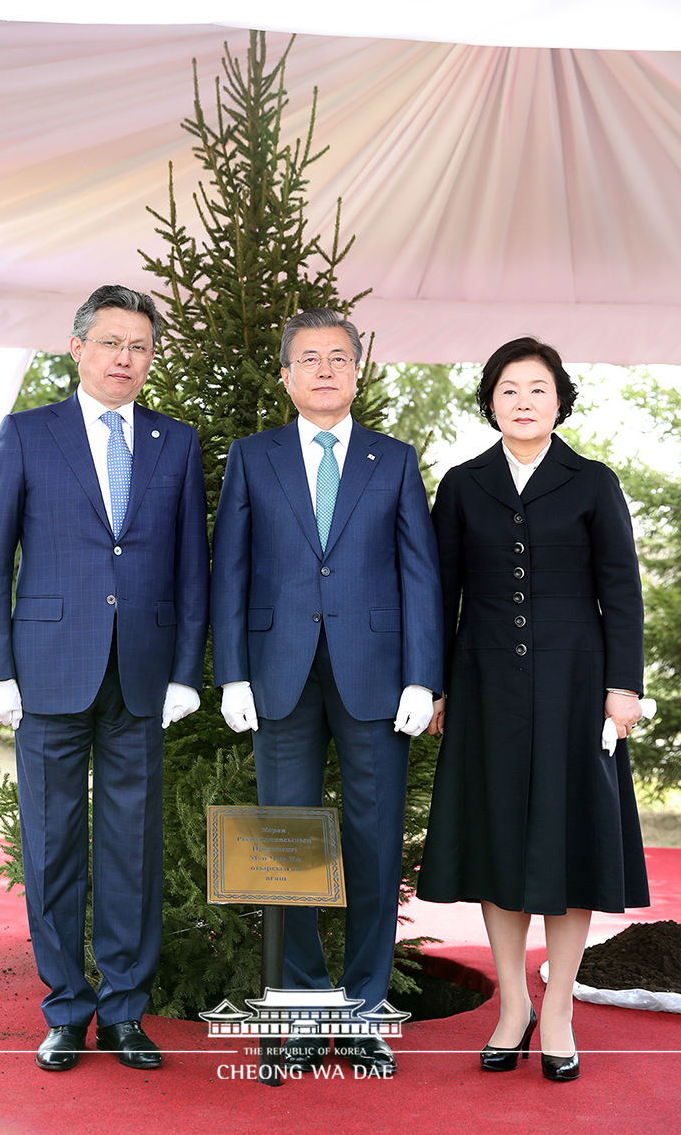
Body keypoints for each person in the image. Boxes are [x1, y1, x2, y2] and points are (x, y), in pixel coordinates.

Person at [0, 285, 209, 1072]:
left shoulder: (176, 442)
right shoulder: (27, 434)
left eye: (139, 346)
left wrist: (184, 672)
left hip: (141, 675)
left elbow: (191, 571)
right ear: (78, 349)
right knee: (52, 846)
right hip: (46, 675)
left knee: (132, 850)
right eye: (111, 343)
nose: (125, 359)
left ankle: (127, 1012)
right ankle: (67, 1009)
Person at [210, 307, 443, 1074]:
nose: (323, 369)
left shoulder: (395, 460)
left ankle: (366, 1011)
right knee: (286, 848)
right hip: (278, 674)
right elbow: (231, 570)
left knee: (375, 847)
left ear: (357, 371)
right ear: (286, 374)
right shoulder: (253, 456)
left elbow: (420, 574)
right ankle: (302, 1012)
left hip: (377, 679)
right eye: (307, 358)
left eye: (338, 357)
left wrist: (423, 675)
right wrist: (233, 672)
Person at [417, 336, 649, 1083]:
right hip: (483, 685)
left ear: (560, 401)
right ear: (490, 402)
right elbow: (438, 594)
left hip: (578, 685)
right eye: (509, 389)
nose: (523, 401)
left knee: (568, 840)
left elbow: (621, 590)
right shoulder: (462, 484)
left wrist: (624, 684)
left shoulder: (593, 481)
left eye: (537, 389)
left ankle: (558, 1012)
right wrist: (437, 684)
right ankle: (512, 1003)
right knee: (497, 841)